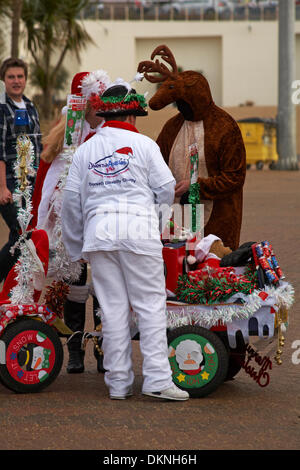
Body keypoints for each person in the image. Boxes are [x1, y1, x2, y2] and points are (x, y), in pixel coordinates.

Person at [61, 80, 189, 401]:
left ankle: (118, 383)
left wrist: (77, 248)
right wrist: (156, 225)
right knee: (149, 306)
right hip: (138, 233)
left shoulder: (85, 150)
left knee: (113, 310)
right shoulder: (144, 145)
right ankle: (158, 380)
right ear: (132, 117)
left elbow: (70, 203)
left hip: (99, 236)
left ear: (105, 115)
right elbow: (165, 188)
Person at [33, 69, 111, 374]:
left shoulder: (109, 130)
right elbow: (47, 176)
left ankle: (105, 348)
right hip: (71, 221)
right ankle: (76, 348)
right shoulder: (65, 130)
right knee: (74, 283)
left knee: (106, 284)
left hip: (101, 217)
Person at [0, 57, 42, 282]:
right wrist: (2, 187)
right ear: (3, 80)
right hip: (8, 182)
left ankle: (12, 290)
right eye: (11, 77)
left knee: (21, 235)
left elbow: (38, 145)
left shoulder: (31, 106)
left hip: (30, 184)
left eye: (20, 76)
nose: (16, 81)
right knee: (22, 235)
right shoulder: (1, 108)